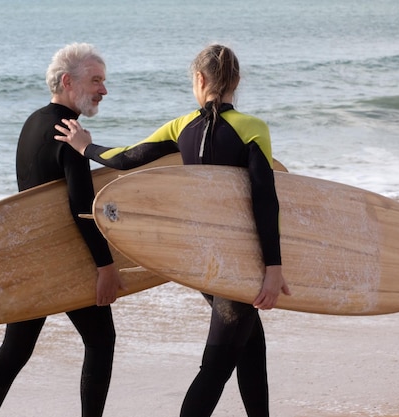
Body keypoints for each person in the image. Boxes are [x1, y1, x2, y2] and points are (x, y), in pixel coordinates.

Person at [54, 44, 291, 417]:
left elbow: (129, 158)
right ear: (237, 81)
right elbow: (265, 199)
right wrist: (274, 269)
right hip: (240, 263)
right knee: (215, 367)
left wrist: (86, 147)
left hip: (200, 263)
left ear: (199, 80)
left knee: (251, 350)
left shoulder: (182, 127)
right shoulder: (252, 129)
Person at [0, 43, 123, 417]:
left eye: (103, 81)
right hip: (63, 262)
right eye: (96, 80)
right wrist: (105, 267)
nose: (103, 89)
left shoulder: (33, 123)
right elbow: (81, 209)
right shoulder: (68, 132)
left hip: (30, 258)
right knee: (101, 340)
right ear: (68, 82)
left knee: (15, 351)